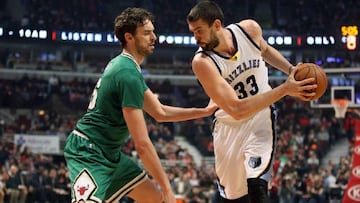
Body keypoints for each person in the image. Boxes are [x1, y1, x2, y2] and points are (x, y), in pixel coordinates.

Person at [63, 7, 217, 203]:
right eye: (146, 33)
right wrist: (168, 188)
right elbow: (142, 145)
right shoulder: (126, 73)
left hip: (109, 153)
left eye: (153, 31)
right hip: (88, 152)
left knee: (154, 199)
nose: (154, 37)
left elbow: (160, 112)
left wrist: (204, 111)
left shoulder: (127, 68)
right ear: (129, 37)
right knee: (162, 196)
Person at [186, 1, 317, 202]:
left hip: (260, 118)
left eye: (199, 30)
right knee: (233, 196)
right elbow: (237, 110)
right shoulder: (202, 62)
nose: (196, 37)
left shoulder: (248, 30)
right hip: (229, 125)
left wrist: (290, 70)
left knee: (256, 185)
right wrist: (285, 89)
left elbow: (264, 49)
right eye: (193, 32)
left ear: (217, 25)